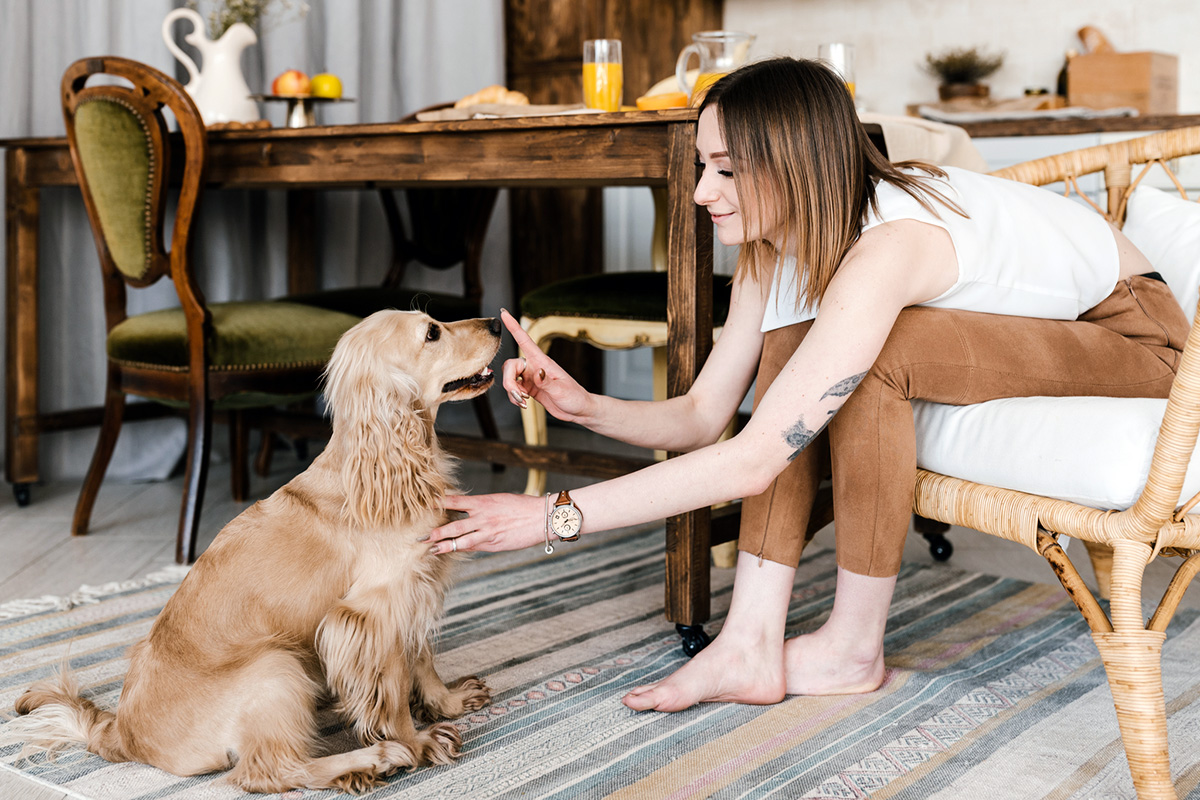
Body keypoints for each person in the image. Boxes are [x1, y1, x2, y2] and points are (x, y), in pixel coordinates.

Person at [426, 57, 1189, 713]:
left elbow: (756, 456)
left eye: (726, 169)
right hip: (1037, 336)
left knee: (869, 351)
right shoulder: (773, 248)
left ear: (795, 164)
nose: (700, 192)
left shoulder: (891, 245)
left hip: (1141, 341)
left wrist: (551, 516)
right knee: (801, 346)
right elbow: (703, 415)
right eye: (703, 166)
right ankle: (749, 642)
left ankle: (852, 650)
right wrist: (586, 406)